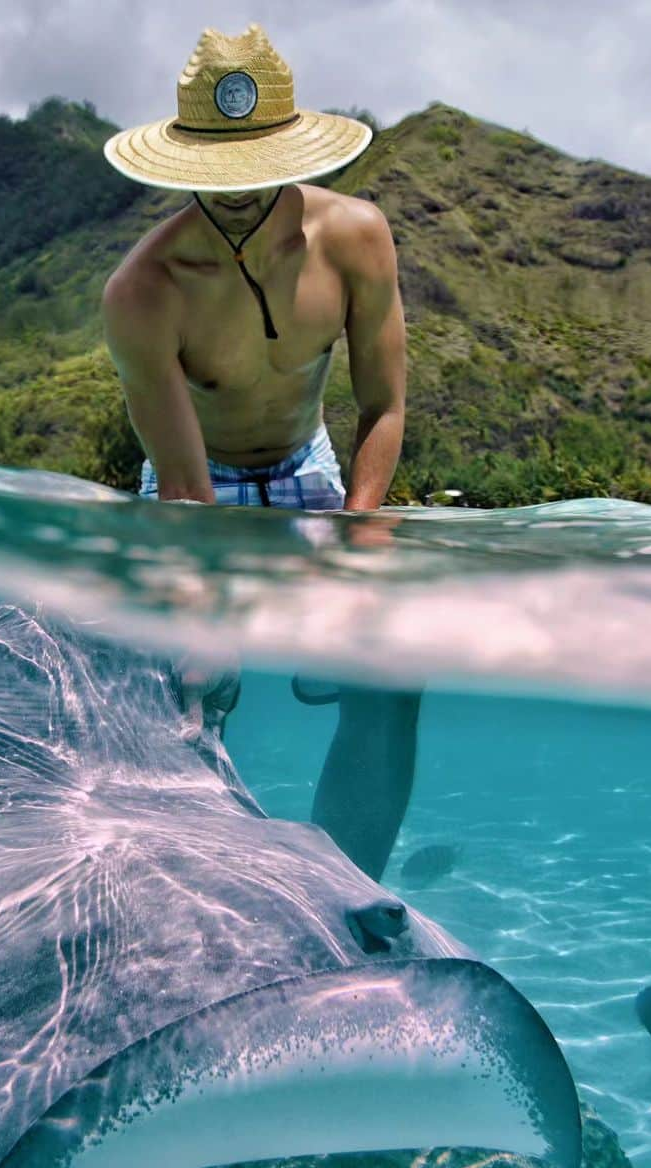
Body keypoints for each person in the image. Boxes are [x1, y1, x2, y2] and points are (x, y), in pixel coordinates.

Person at [100, 22, 417, 882]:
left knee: (396, 664)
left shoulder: (358, 238)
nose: (237, 196)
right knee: (195, 686)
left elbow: (384, 405)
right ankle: (202, 905)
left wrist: (358, 533)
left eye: (255, 172)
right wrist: (205, 607)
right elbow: (181, 483)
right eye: (218, 177)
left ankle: (347, 893)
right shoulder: (142, 291)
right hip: (197, 483)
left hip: (310, 467)